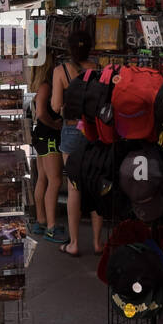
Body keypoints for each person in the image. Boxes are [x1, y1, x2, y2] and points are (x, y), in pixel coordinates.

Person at [50, 26, 104, 257]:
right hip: (95, 132)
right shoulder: (100, 69)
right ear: (89, 48)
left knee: (74, 189)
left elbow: (54, 106)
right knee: (96, 185)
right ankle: (97, 242)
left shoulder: (61, 71)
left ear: (69, 49)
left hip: (71, 131)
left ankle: (73, 243)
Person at [28, 57, 65, 242]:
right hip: (49, 136)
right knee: (55, 180)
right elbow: (41, 113)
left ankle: (41, 220)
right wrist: (55, 126)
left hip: (42, 136)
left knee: (43, 178)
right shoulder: (46, 86)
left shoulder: (41, 85)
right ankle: (51, 226)